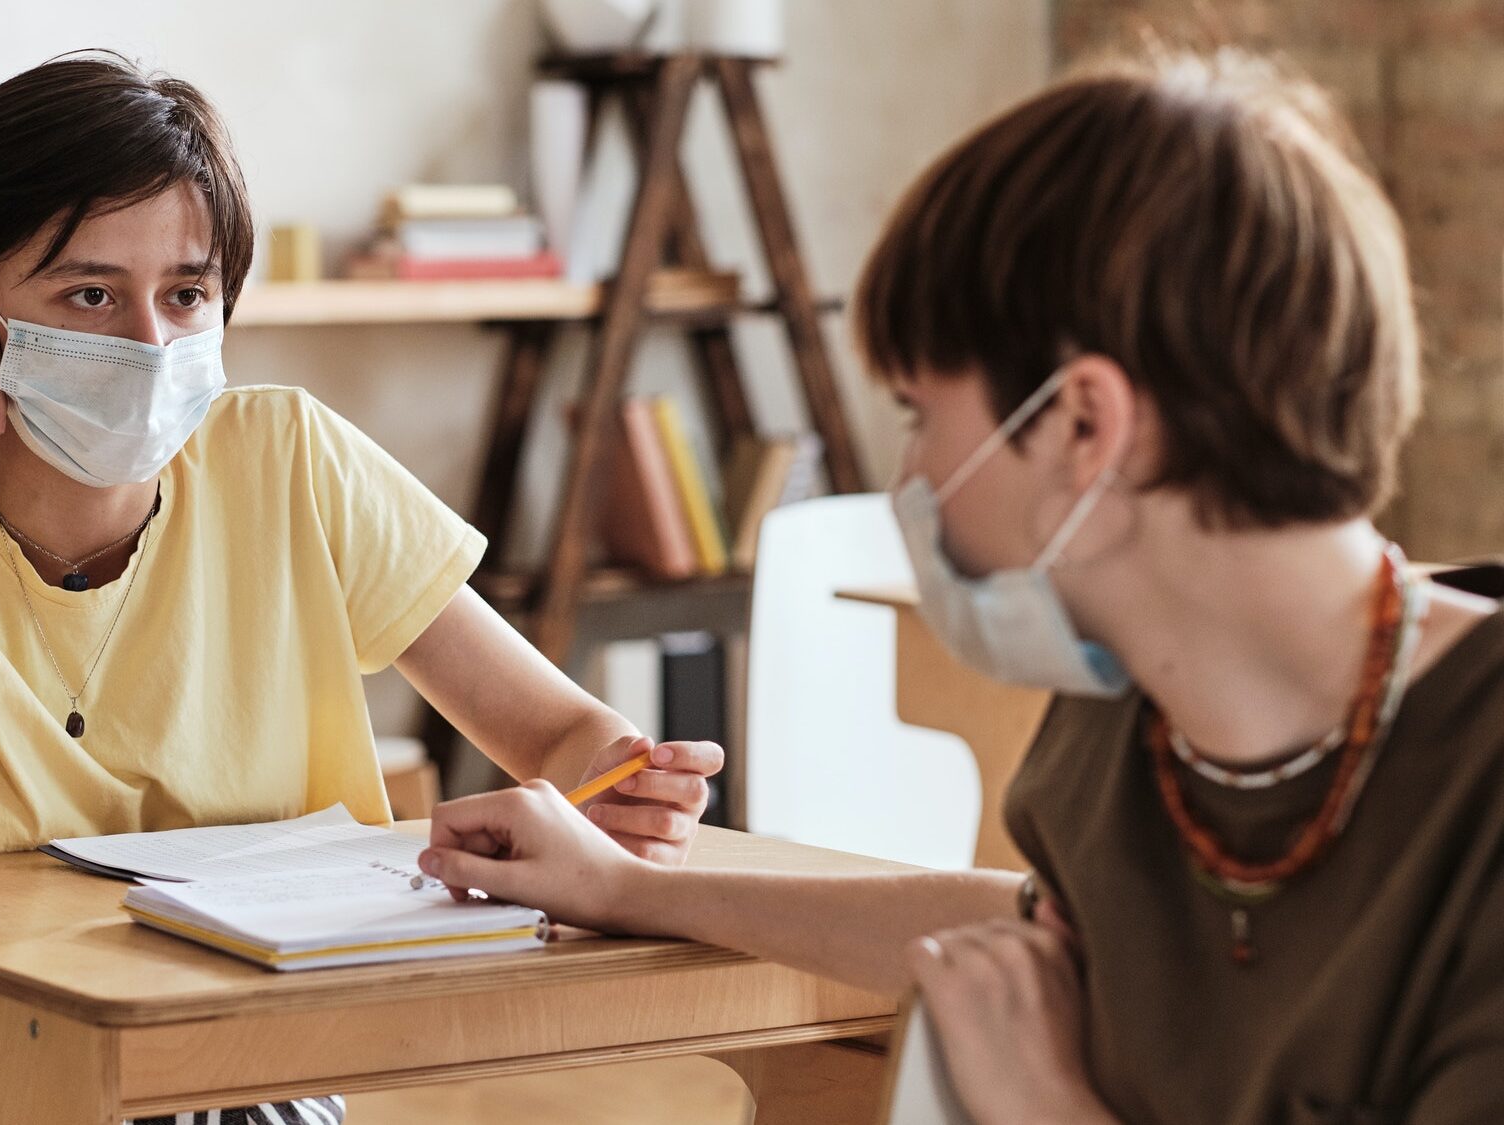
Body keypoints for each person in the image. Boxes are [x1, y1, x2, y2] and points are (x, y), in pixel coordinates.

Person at [416, 49, 1504, 1124]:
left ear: (1082, 425)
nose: (910, 481)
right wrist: (623, 890)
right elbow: (1032, 928)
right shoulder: (1128, 715)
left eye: (917, 413)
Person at [0, 53, 721, 1125]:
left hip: (241, 1081)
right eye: (89, 292)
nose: (149, 342)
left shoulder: (288, 457)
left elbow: (561, 736)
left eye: (186, 294)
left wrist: (623, 783)